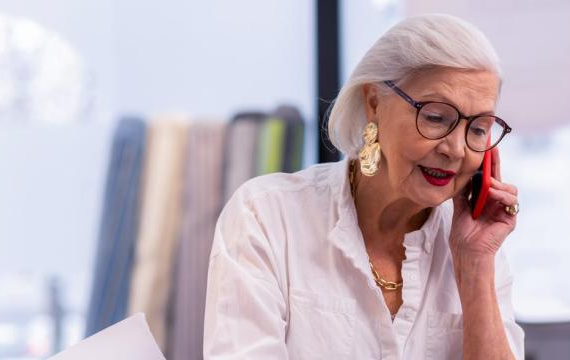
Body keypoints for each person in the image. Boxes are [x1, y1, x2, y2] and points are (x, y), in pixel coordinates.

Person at [203, 13, 524, 359]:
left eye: (478, 128)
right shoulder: (265, 216)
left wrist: (474, 266)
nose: (456, 149)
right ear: (374, 102)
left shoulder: (477, 250)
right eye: (435, 117)